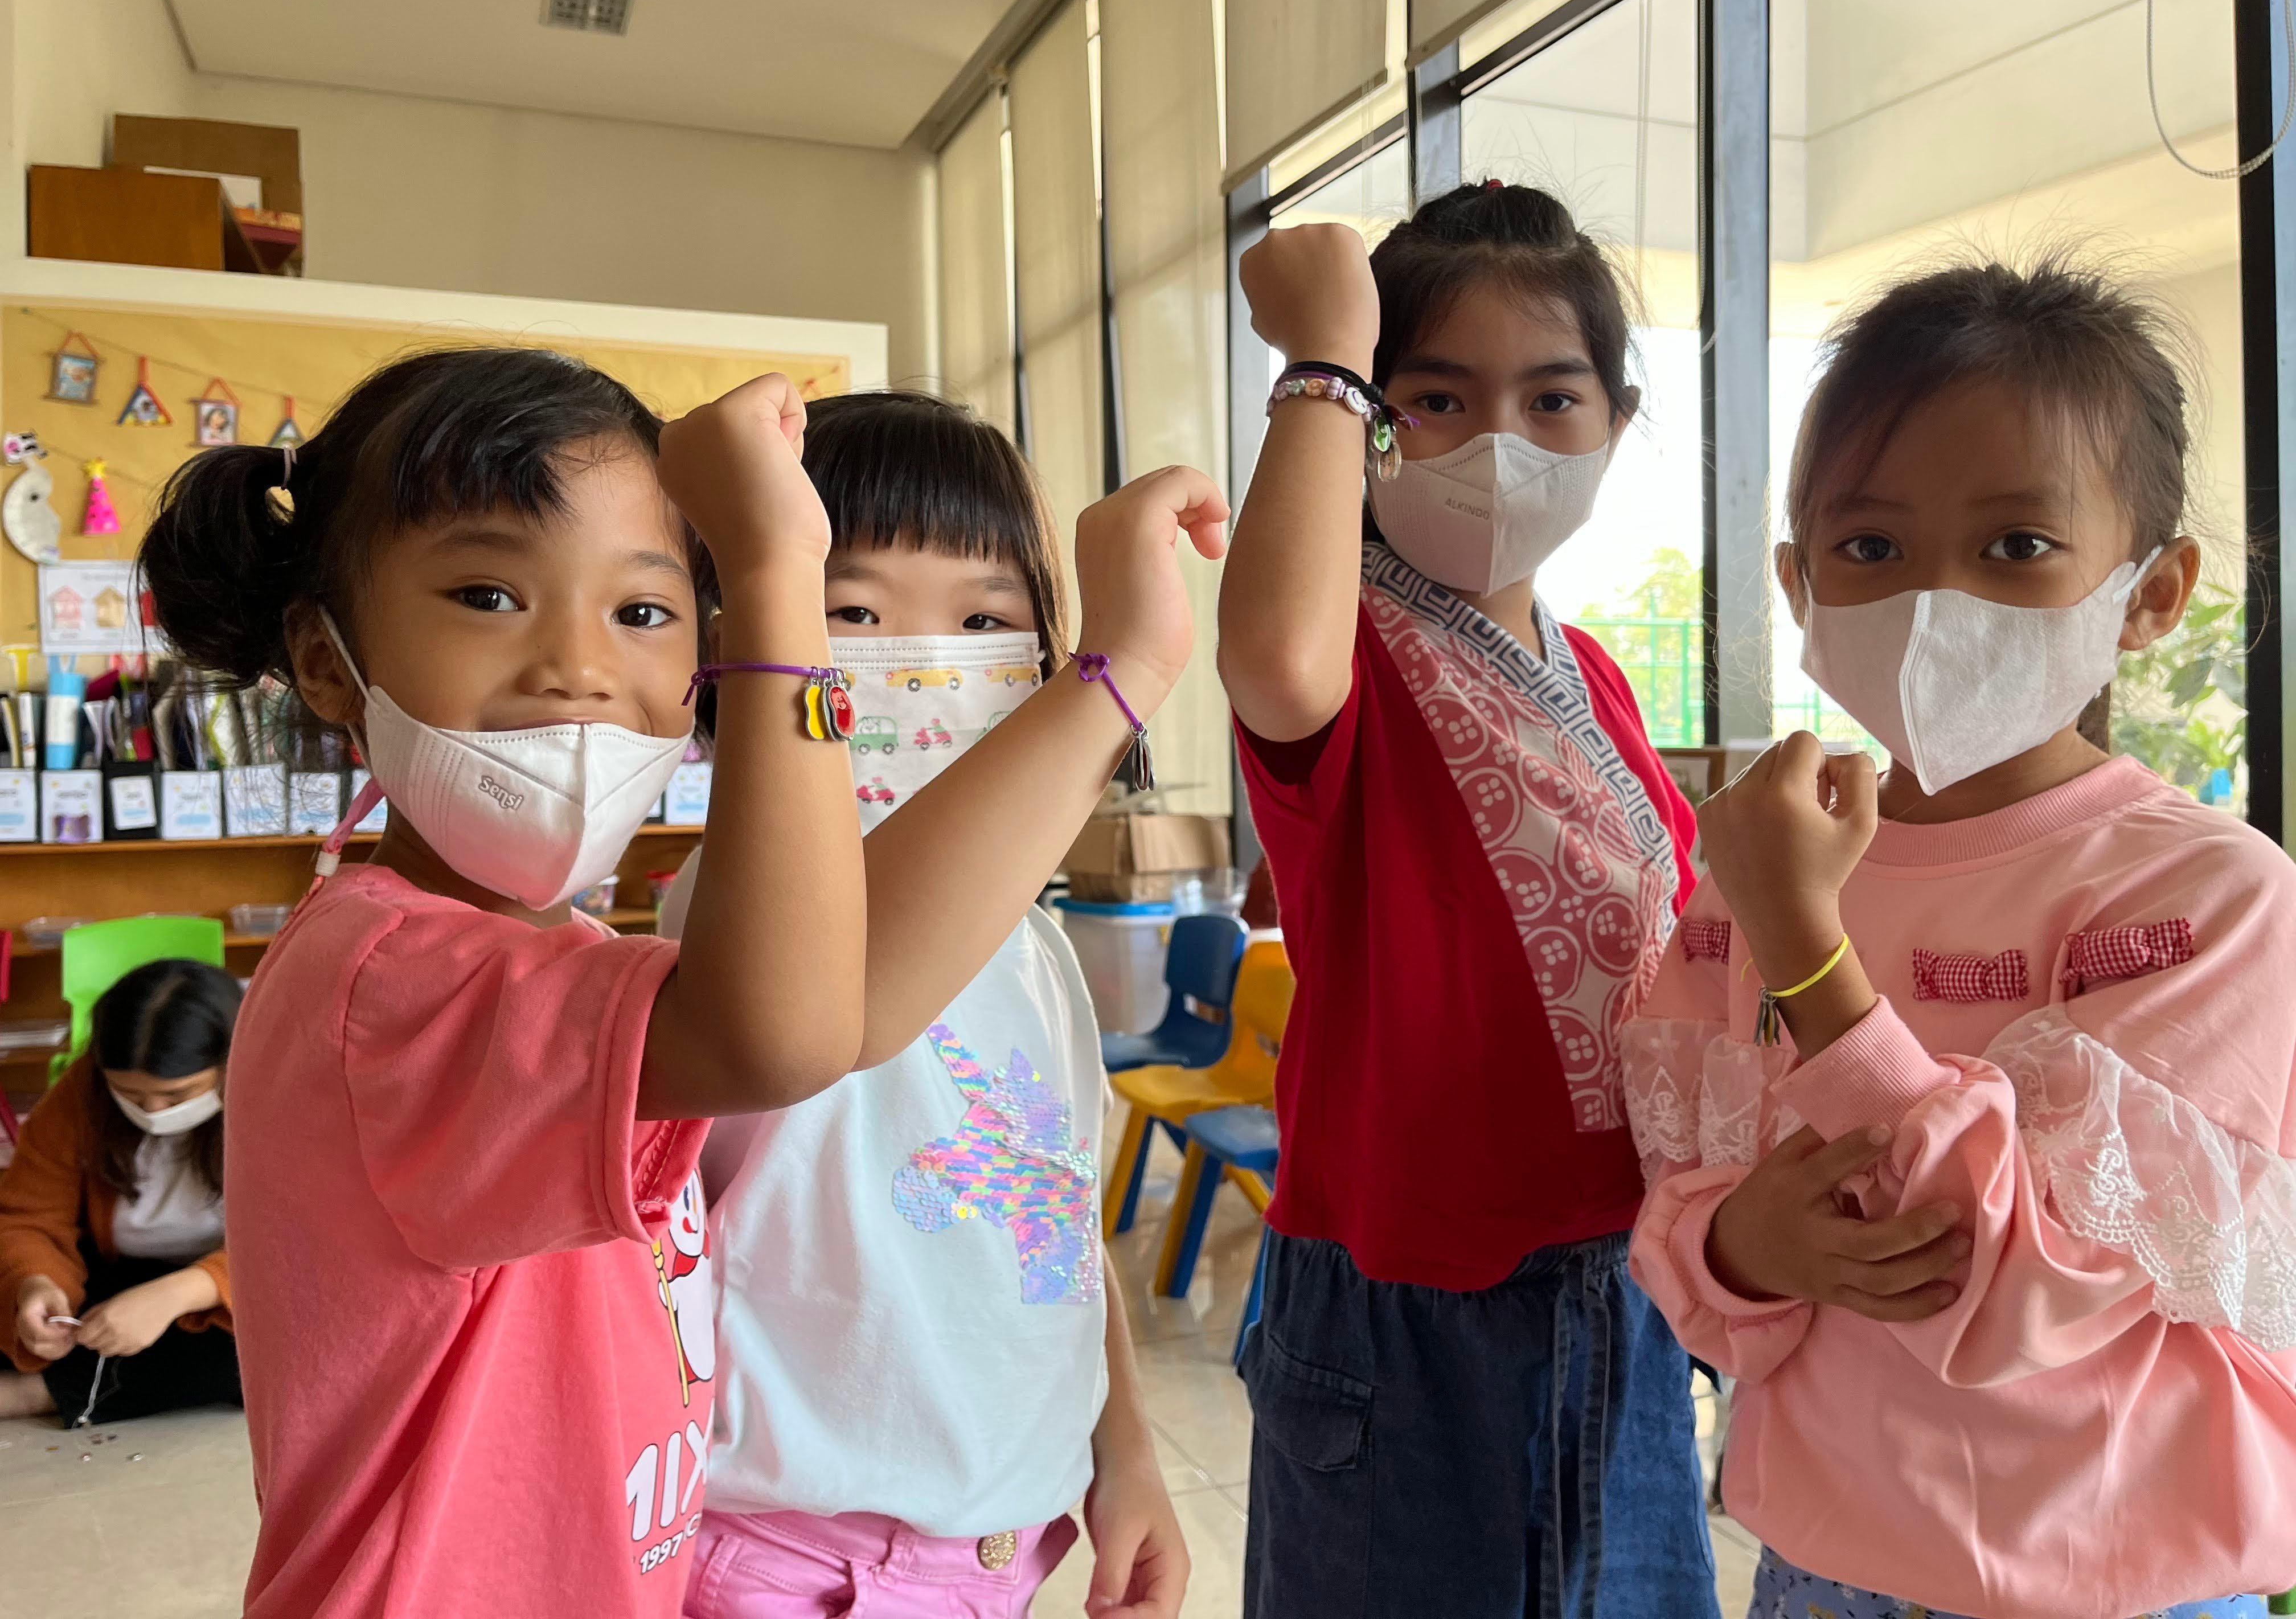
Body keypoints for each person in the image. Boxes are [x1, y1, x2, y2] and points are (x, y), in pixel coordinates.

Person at [136, 348, 873, 1619]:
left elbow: (854, 996)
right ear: (326, 662)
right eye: (489, 593)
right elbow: (786, 1034)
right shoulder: (389, 974)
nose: (577, 669)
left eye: (643, 611)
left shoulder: (553, 955)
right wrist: (775, 577)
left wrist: (1113, 683)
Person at [1622, 256, 2296, 1618]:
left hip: (2121, 1574)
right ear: (1798, 579)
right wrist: (1751, 1245)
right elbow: (1683, 1214)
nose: (1937, 600)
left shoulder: (2212, 898)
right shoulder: (1753, 874)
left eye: (2016, 546)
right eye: (1870, 548)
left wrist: (1809, 955)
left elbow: (2016, 1274)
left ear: (2154, 592)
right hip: (1827, 1564)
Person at [1216, 182, 1717, 1616]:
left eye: (1553, 399)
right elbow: (1274, 659)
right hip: (1407, 1299)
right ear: (1365, 421)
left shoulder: (1598, 677)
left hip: (1616, 1283)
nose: (1500, 444)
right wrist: (1321, 357)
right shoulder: (1347, 647)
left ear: (1617, 424)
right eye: (1434, 398)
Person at [661, 390, 1223, 1619]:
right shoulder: (742, 905)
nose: (920, 666)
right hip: (793, 1558)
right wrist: (1127, 674)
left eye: (982, 620)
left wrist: (1119, 1450)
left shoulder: (1034, 949)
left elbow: (1056, 1219)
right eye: (852, 614)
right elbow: (842, 993)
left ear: (1036, 663)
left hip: (999, 1545)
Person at [0, 958, 243, 1425]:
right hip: (112, 1274)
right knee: (12, 1299)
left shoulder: (282, 1100)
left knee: (261, 1351)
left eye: (176, 1096)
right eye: (128, 1093)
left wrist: (185, 1291)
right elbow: (29, 1216)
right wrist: (36, 1282)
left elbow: (303, 1246)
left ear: (230, 1062)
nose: (152, 1110)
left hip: (232, 1292)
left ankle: (38, 1393)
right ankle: (79, 1375)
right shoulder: (81, 1094)